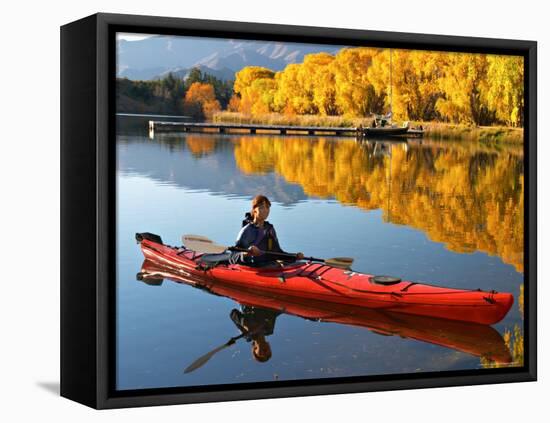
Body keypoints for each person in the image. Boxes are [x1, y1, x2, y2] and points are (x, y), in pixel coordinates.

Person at [235, 195, 304, 266]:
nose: (265, 210)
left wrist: (295, 256)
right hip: (252, 268)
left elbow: (277, 252)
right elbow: (234, 255)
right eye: (262, 207)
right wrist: (246, 253)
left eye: (267, 207)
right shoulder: (247, 230)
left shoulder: (269, 229)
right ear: (254, 210)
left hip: (268, 266)